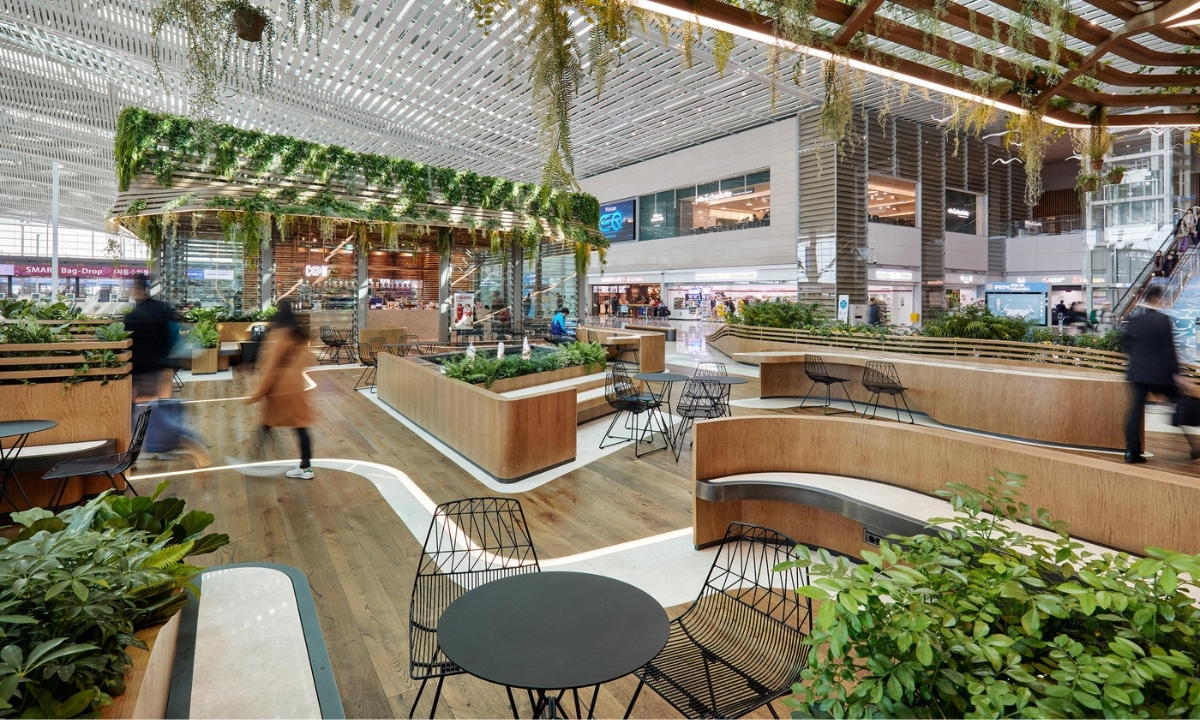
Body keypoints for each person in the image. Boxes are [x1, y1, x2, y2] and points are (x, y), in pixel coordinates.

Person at [125, 275, 210, 467]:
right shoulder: (162, 308)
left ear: (136, 290)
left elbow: (130, 348)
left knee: (148, 415)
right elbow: (175, 335)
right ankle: (135, 456)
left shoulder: (133, 317)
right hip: (162, 368)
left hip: (140, 372)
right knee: (158, 411)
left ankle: (187, 443)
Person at [1122, 284, 1197, 463]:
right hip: (1160, 375)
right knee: (1179, 405)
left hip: (1137, 374)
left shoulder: (1134, 320)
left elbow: (1126, 345)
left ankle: (1131, 453)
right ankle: (1194, 446)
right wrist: (1178, 375)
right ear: (1156, 299)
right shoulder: (1162, 321)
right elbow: (1168, 350)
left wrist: (1139, 359)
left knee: (1135, 412)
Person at [248, 298, 317, 479]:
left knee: (266, 424)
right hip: (297, 390)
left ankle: (252, 460)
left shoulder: (277, 334)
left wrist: (257, 393)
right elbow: (307, 361)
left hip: (279, 391)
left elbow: (270, 368)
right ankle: (306, 467)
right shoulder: (299, 336)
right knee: (301, 427)